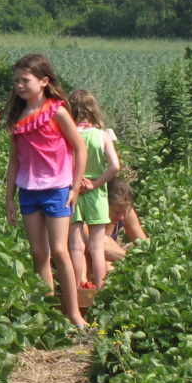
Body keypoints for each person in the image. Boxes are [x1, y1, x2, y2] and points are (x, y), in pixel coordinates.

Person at [1, 54, 92, 329]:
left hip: (57, 189)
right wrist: (9, 198)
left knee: (60, 251)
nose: (19, 85)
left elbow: (80, 149)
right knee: (39, 253)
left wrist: (75, 187)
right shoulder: (17, 117)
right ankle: (47, 312)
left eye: (25, 80)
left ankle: (74, 313)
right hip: (29, 191)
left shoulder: (57, 112)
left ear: (43, 81)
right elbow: (14, 161)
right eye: (16, 81)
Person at [66, 89, 122, 295]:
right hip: (96, 194)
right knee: (97, 247)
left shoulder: (67, 134)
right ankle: (100, 289)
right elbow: (115, 166)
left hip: (72, 192)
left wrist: (76, 182)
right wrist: (95, 183)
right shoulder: (102, 135)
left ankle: (76, 289)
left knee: (75, 246)